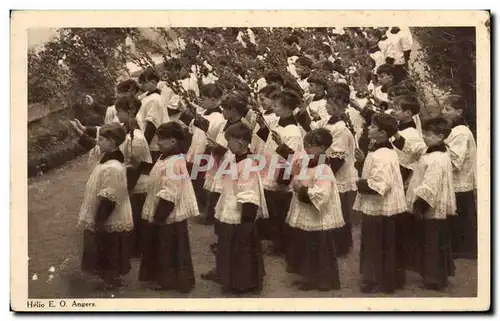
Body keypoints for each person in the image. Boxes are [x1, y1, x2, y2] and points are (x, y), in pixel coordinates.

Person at [204, 122, 268, 294]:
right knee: (229, 246)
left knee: (241, 248)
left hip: (240, 214)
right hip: (230, 205)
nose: (228, 145)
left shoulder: (248, 165)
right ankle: (229, 277)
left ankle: (242, 283)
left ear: (241, 142)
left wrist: (246, 222)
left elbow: (249, 194)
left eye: (229, 141)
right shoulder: (235, 158)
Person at [70, 122, 133, 291]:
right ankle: (110, 279)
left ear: (112, 143)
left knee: (108, 248)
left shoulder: (112, 167)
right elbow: (93, 147)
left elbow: (109, 197)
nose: (99, 142)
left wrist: (100, 221)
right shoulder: (108, 160)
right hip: (105, 213)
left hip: (108, 216)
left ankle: (111, 281)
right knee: (106, 248)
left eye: (102, 139)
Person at [138, 122, 199, 293]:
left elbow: (170, 193)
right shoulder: (165, 156)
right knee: (164, 246)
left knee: (169, 248)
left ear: (173, 141)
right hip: (163, 209)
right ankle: (163, 277)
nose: (157, 142)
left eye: (161, 140)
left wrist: (159, 217)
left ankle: (170, 281)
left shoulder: (174, 162)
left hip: (169, 213)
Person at [282, 128, 344, 291]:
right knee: (308, 246)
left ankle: (324, 281)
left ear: (323, 148)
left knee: (320, 248)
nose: (307, 149)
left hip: (318, 215)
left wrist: (299, 186)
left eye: (311, 146)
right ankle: (310, 277)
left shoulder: (324, 168)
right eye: (305, 145)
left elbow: (320, 195)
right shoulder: (307, 163)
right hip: (307, 213)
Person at [353, 113, 407, 293]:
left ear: (383, 133)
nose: (369, 128)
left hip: (381, 207)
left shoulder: (383, 155)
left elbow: (380, 185)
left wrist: (358, 183)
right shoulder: (379, 149)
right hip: (381, 207)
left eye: (373, 127)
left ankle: (377, 280)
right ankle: (384, 278)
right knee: (382, 244)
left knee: (377, 244)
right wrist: (362, 162)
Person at [406, 117, 457, 291]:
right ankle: (436, 276)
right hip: (435, 205)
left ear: (441, 136)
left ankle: (433, 279)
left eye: (429, 134)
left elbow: (431, 184)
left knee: (432, 243)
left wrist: (420, 205)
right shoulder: (438, 154)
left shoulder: (436, 158)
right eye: (424, 133)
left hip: (431, 206)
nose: (425, 137)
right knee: (434, 242)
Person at [255, 89, 304, 255]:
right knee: (273, 211)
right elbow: (270, 142)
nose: (273, 108)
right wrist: (262, 127)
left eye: (277, 105)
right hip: (270, 169)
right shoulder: (277, 123)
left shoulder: (293, 132)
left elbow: (293, 158)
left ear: (288, 108)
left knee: (281, 212)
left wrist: (283, 181)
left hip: (281, 175)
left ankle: (282, 246)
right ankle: (274, 241)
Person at [114, 95, 153, 258]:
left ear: (128, 112)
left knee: (136, 216)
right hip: (131, 177)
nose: (117, 115)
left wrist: (127, 187)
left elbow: (137, 166)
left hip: (137, 181)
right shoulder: (128, 132)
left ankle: (138, 250)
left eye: (119, 112)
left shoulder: (136, 138)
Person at [136, 68, 168, 162]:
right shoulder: (146, 95)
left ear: (153, 82)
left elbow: (152, 125)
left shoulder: (155, 99)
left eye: (144, 82)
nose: (142, 85)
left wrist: (144, 148)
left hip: (152, 144)